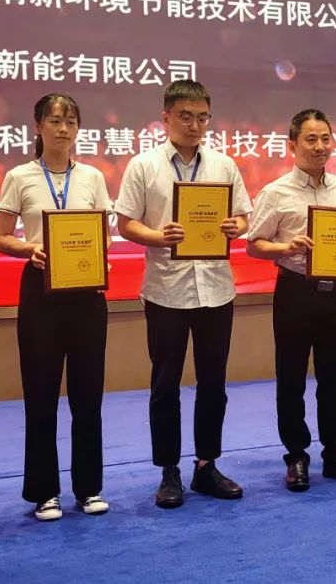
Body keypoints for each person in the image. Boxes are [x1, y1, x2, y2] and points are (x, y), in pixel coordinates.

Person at [115, 79, 251, 508]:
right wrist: (159, 236)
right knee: (165, 385)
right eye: (186, 117)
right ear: (166, 118)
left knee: (213, 383)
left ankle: (207, 465)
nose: (195, 125)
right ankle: (169, 470)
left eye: (202, 117)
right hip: (166, 290)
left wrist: (233, 227)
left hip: (216, 288)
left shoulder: (223, 165)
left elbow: (243, 218)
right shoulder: (144, 165)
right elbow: (125, 223)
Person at [0, 94, 112, 520]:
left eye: (71, 121)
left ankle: (89, 487)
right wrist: (31, 249)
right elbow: (1, 238)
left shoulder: (93, 177)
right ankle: (45, 491)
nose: (64, 129)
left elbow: (104, 234)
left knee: (88, 395)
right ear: (38, 125)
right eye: (55, 121)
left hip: (86, 292)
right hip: (40, 290)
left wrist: (98, 255)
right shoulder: (19, 176)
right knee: (41, 393)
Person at [246, 109, 336, 491]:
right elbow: (254, 245)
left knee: (335, 379)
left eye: (325, 139)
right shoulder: (276, 192)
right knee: (292, 378)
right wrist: (286, 247)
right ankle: (297, 456)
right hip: (296, 292)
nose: (319, 147)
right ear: (292, 145)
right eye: (311, 139)